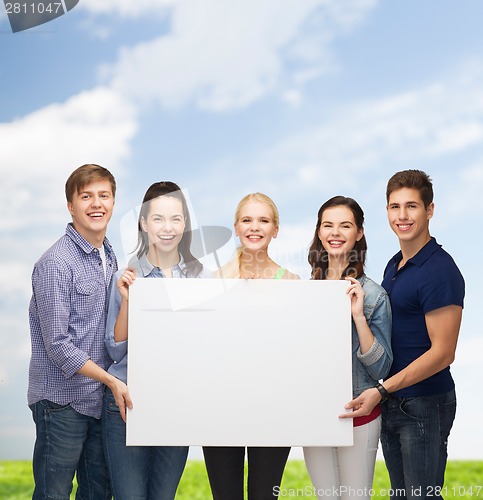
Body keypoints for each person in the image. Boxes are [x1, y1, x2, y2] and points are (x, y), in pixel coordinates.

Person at [341, 170, 465, 500]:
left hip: (425, 403)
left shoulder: (440, 270)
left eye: (411, 206)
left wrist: (382, 389)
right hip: (394, 401)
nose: (402, 216)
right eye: (395, 207)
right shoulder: (395, 265)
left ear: (430, 210)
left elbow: (443, 353)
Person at [28, 164, 132, 500]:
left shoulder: (110, 256)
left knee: (97, 494)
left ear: (113, 203)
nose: (96, 204)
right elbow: (58, 344)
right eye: (86, 196)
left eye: (104, 195)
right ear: (71, 206)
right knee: (53, 495)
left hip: (98, 402)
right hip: (61, 403)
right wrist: (113, 380)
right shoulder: (56, 262)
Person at [102, 181, 210, 500]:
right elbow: (115, 348)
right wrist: (127, 300)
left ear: (185, 223)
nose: (167, 228)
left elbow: (206, 345)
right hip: (127, 403)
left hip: (176, 403)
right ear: (144, 223)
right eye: (158, 219)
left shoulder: (200, 278)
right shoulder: (127, 276)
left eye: (175, 218)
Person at [203, 192, 299, 500]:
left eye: (263, 220)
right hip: (221, 407)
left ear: (275, 229)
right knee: (225, 495)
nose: (254, 227)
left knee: (264, 495)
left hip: (272, 407)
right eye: (247, 220)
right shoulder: (214, 282)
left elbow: (295, 351)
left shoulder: (292, 283)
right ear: (235, 226)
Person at [302, 196, 393, 499]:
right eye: (327, 225)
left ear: (359, 233)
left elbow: (381, 369)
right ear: (319, 232)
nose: (335, 232)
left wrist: (358, 316)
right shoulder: (305, 293)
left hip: (360, 415)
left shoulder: (374, 295)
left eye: (345, 225)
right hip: (315, 414)